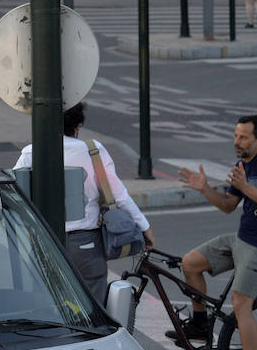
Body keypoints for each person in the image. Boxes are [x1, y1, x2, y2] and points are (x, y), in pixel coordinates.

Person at [175, 115, 257, 350]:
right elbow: (228, 205)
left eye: (244, 137)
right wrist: (205, 189)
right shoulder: (242, 165)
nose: (237, 141)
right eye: (236, 135)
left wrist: (247, 187)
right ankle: (201, 325)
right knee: (190, 263)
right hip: (240, 239)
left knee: (240, 303)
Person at [15, 103, 156, 304]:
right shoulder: (93, 151)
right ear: (78, 126)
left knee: (48, 301)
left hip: (44, 239)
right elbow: (119, 195)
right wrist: (145, 227)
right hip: (85, 243)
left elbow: (16, 191)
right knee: (92, 305)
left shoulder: (31, 152)